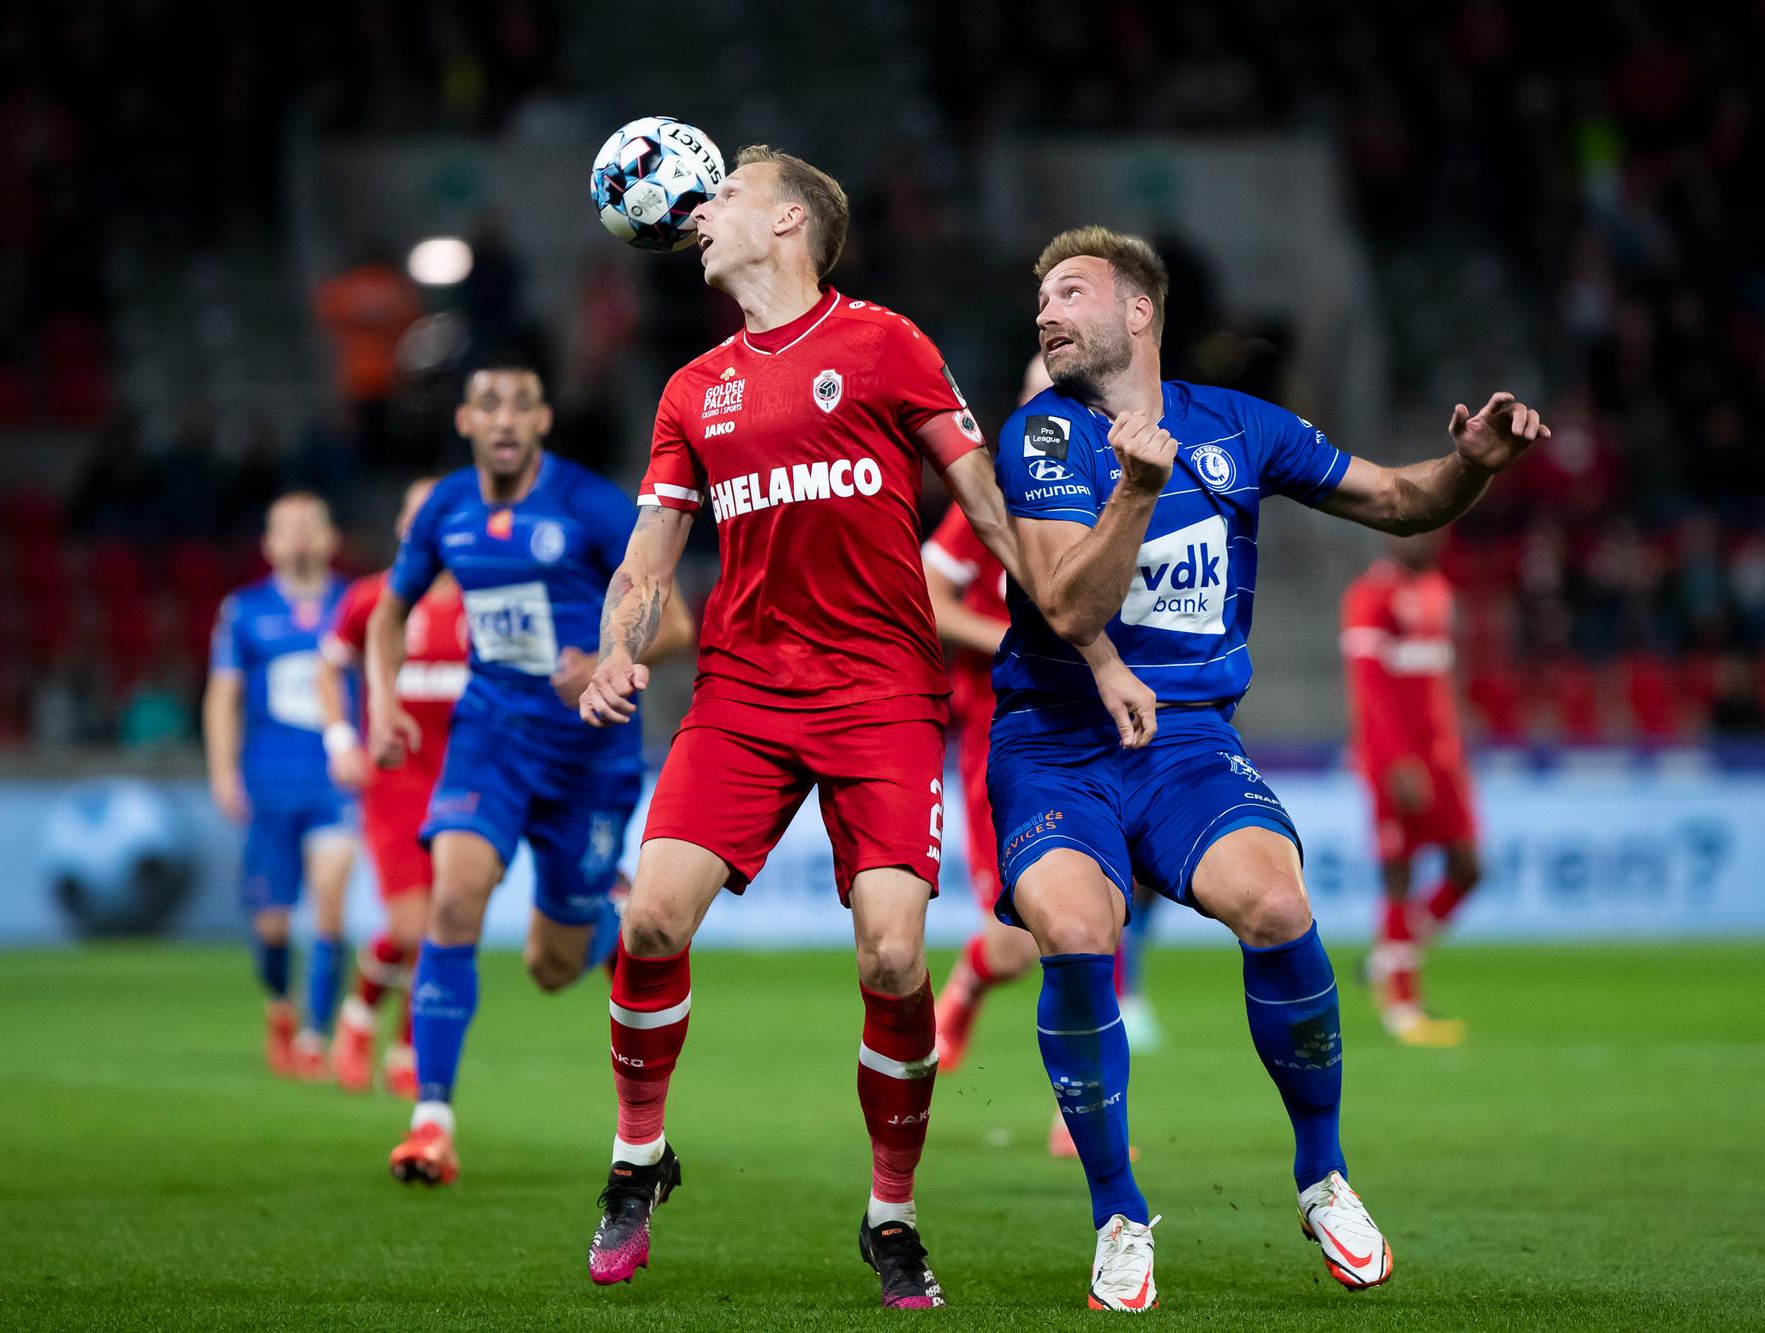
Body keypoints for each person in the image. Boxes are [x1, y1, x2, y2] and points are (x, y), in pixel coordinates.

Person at [574, 146, 1154, 1310]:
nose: (700, 213)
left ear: (787, 220)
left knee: (893, 955)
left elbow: (989, 511)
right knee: (646, 921)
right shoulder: (691, 388)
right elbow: (647, 556)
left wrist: (1091, 646)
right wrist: (612, 650)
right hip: (740, 691)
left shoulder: (886, 345)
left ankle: (889, 1213)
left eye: (724, 194)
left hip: (882, 690)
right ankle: (639, 1155)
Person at [991, 226, 1547, 1310]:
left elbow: (1396, 499)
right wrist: (1136, 495)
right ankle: (1115, 1211)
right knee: (1072, 929)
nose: (1045, 312)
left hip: (1188, 740)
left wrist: (1472, 470)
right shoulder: (1043, 437)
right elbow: (1065, 609)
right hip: (1054, 744)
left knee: (1276, 901)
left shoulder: (1237, 427)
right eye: (1039, 297)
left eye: (1069, 292)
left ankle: (1321, 1173)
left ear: (1137, 311)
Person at [366, 362, 695, 1185]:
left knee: (550, 966)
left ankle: (605, 916)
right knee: (451, 899)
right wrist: (382, 701)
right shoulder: (447, 508)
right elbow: (388, 610)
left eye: (520, 403)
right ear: (466, 423)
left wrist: (608, 658)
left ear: (544, 419)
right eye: (487, 404)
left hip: (590, 756)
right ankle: (432, 1121)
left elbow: (679, 618)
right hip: (492, 740)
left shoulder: (587, 503)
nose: (504, 418)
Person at [928, 356, 1166, 1139]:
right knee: (1034, 928)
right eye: (1040, 396)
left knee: (1110, 900)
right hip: (1010, 730)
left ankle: (1088, 1102)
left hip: (1103, 723)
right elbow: (929, 601)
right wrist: (1021, 643)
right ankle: (970, 979)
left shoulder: (1126, 492)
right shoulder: (991, 499)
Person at [314, 477, 470, 1095]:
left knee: (446, 927)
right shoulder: (371, 599)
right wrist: (339, 740)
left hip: (465, 783)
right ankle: (357, 1018)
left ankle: (408, 1052)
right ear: (406, 526)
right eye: (419, 514)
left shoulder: (485, 605)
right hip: (396, 780)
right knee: (410, 927)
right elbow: (327, 668)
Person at [203, 492, 358, 1079]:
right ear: (267, 544)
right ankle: (280, 1004)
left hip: (333, 782)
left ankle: (316, 1038)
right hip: (269, 782)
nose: (296, 538)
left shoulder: (353, 603)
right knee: (270, 922)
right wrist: (222, 771)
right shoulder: (243, 611)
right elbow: (223, 696)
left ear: (329, 538)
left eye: (307, 527)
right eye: (284, 528)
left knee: (331, 907)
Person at [1341, 530, 1480, 1046]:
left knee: (1469, 868)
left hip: (1444, 758)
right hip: (1393, 760)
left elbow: (1438, 681)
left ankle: (1386, 959)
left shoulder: (1439, 590)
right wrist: (1395, 759)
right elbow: (1369, 687)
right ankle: (1403, 1006)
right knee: (1398, 874)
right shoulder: (1370, 595)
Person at [313, 246, 422, 464]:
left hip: (357, 374)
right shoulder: (395, 288)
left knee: (361, 435)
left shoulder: (346, 287)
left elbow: (324, 312)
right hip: (391, 373)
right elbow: (414, 318)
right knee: (387, 431)